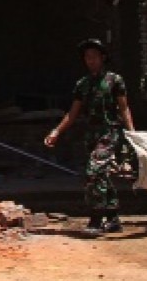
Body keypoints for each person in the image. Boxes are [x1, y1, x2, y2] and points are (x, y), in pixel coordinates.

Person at [44, 37, 136, 236]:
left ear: (103, 57)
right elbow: (72, 113)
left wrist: (132, 135)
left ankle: (96, 217)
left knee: (94, 170)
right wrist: (56, 131)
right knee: (101, 174)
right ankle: (112, 218)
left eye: (94, 56)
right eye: (87, 57)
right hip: (92, 134)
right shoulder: (83, 84)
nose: (90, 60)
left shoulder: (114, 80)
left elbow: (124, 108)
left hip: (110, 132)